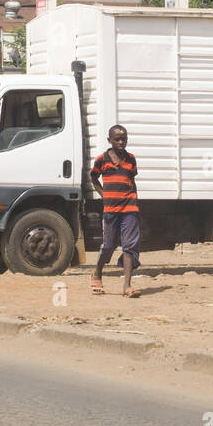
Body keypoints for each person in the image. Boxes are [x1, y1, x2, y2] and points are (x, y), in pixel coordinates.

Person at [89, 125, 143, 297]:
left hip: (129, 207)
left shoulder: (131, 159)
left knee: (130, 246)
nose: (121, 142)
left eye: (124, 139)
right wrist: (102, 194)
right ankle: (97, 273)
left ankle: (127, 286)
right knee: (109, 245)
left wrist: (135, 199)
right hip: (111, 209)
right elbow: (93, 177)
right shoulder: (102, 159)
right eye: (117, 139)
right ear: (109, 141)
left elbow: (131, 180)